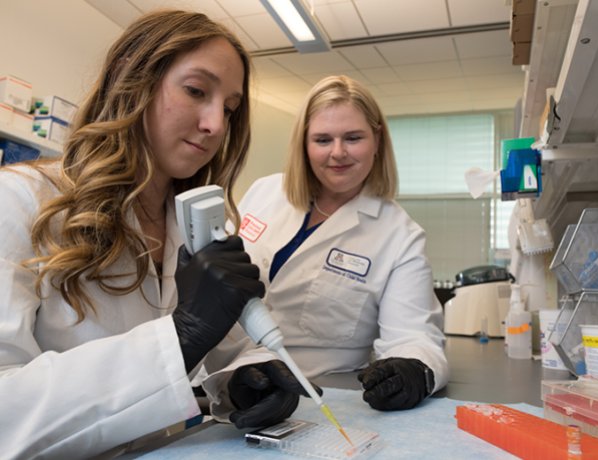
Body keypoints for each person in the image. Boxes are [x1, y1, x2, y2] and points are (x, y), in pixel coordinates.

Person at [0, 10, 312, 459]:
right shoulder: (22, 203)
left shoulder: (196, 224)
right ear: (132, 77)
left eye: (228, 108)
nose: (216, 125)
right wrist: (178, 339)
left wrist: (246, 377)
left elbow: (230, 346)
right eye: (195, 91)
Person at [233, 75, 449, 411]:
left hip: (313, 400)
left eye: (353, 138)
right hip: (223, 383)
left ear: (377, 139)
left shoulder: (399, 236)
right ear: (303, 144)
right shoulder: (263, 192)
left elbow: (414, 336)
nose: (338, 153)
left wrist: (415, 370)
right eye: (322, 139)